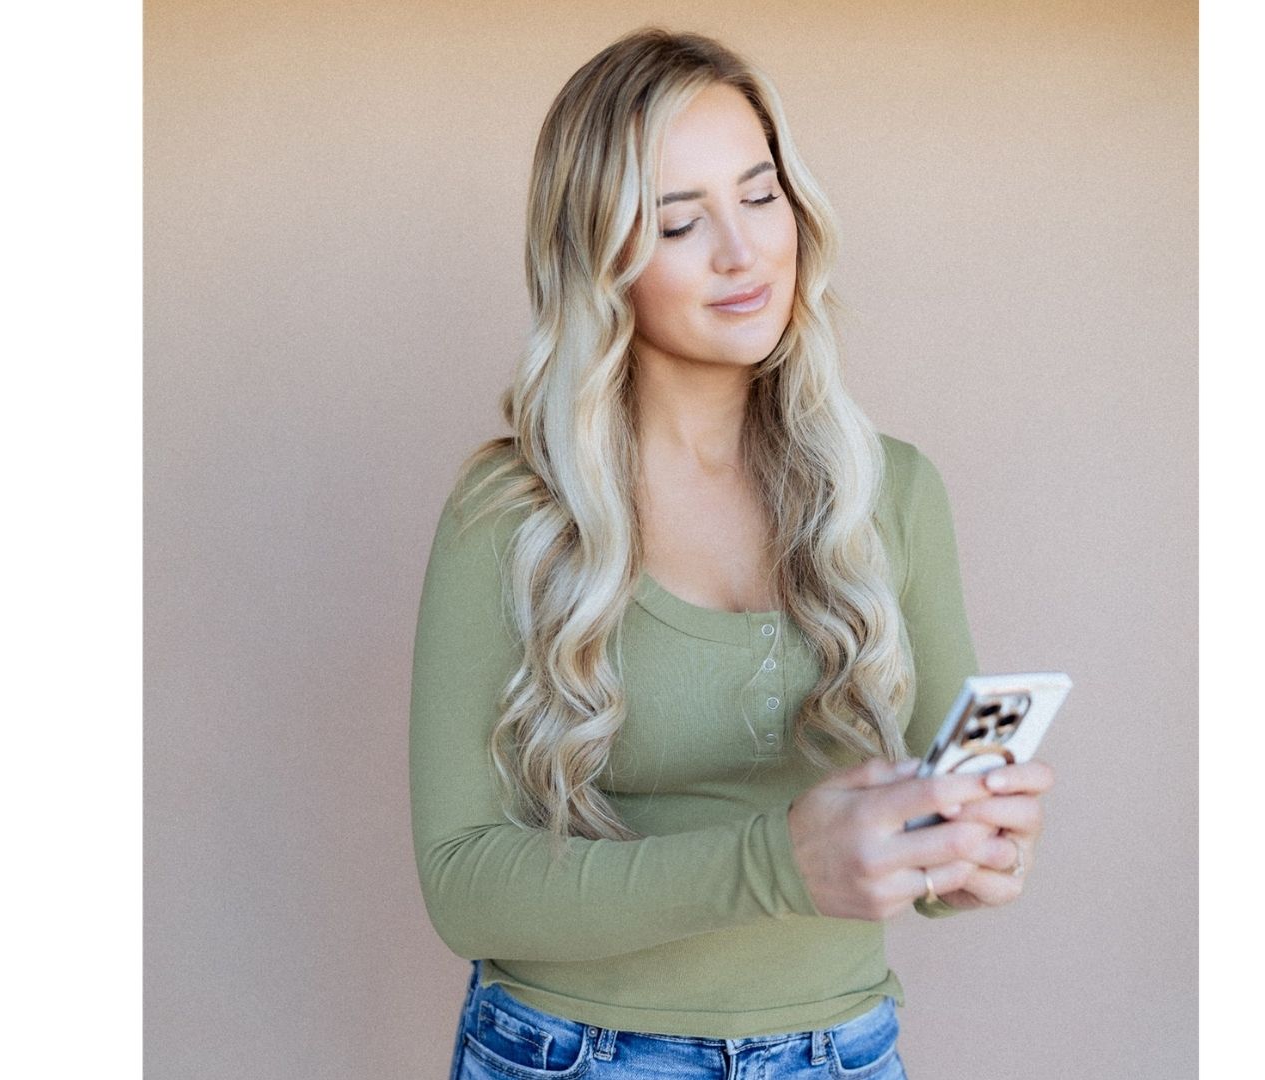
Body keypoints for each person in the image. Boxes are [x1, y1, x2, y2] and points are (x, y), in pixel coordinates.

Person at [408, 27, 1055, 1080]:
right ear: (598, 259)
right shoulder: (512, 510)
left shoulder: (892, 490)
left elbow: (933, 847)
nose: (743, 251)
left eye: (761, 196)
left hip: (842, 1053)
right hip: (575, 1056)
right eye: (679, 221)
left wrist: (969, 852)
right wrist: (778, 863)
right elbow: (461, 884)